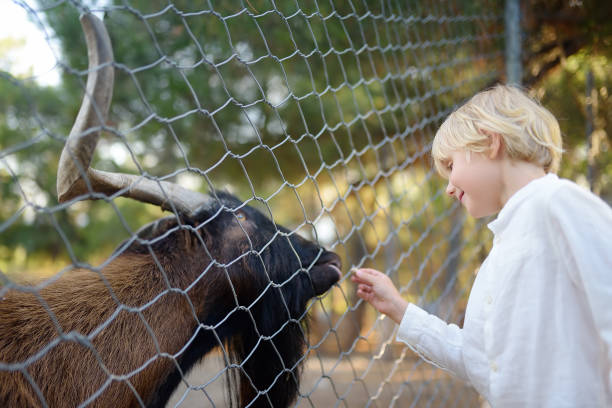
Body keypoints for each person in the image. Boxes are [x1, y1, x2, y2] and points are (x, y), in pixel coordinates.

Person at [351, 84, 612, 407]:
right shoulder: (499, 253)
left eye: (451, 166)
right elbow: (479, 360)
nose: (448, 187)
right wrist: (398, 308)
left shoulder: (558, 204)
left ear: (491, 142)